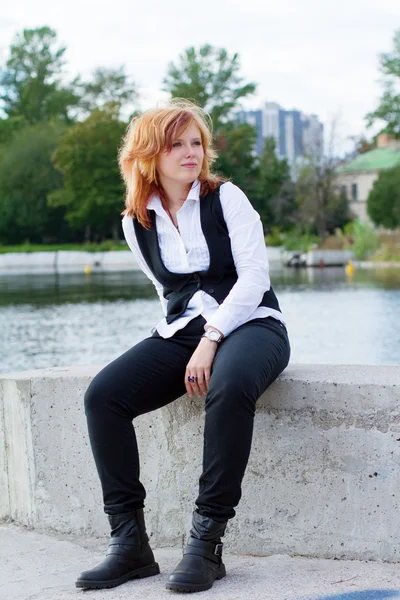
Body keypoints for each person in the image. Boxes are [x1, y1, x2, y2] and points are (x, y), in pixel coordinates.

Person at [75, 99, 291, 594]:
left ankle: (206, 544)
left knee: (231, 384)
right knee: (102, 397)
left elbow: (256, 278)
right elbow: (168, 291)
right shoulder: (136, 222)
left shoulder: (227, 198)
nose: (191, 152)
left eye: (196, 142)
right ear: (150, 153)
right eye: (177, 143)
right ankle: (129, 544)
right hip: (185, 332)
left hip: (253, 324)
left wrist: (212, 338)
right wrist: (188, 339)